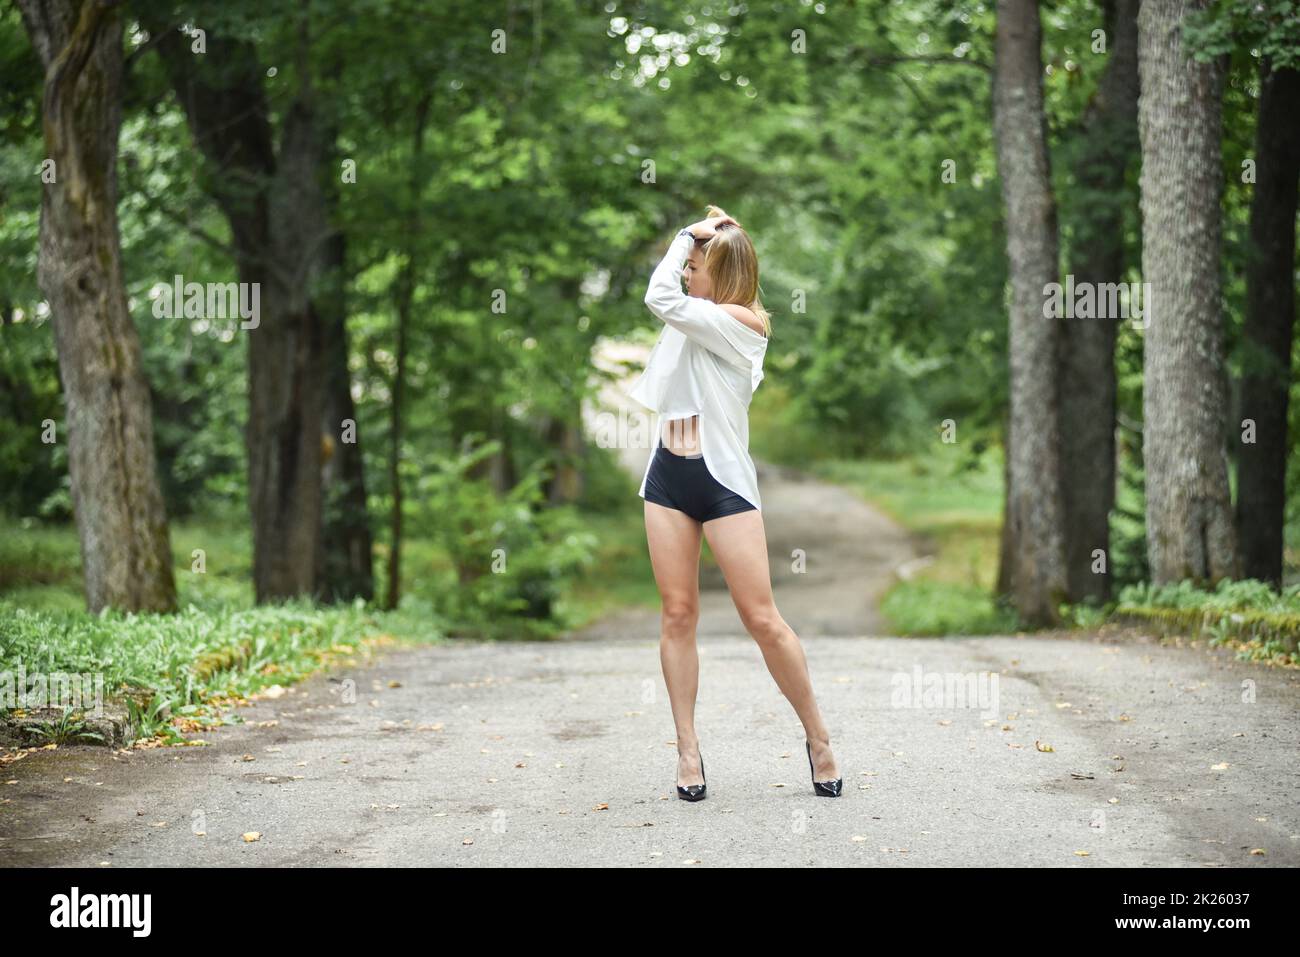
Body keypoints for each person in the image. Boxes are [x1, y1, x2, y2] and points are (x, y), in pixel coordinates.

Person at [625, 205, 843, 801]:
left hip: (723, 484)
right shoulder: (693, 317)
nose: (687, 274)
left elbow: (659, 297)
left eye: (696, 267)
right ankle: (687, 750)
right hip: (668, 477)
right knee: (677, 614)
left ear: (723, 275)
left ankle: (819, 738)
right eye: (688, 266)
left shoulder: (742, 325)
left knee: (763, 620)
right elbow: (668, 297)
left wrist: (686, 236)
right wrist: (711, 236)